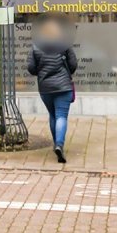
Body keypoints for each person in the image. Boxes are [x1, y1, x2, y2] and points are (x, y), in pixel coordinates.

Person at [26, 16, 78, 163]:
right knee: (61, 115)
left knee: (53, 114)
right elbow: (73, 65)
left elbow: (31, 68)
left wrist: (41, 73)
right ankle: (59, 145)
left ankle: (57, 144)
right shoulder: (64, 45)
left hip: (45, 88)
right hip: (63, 86)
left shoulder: (36, 46)